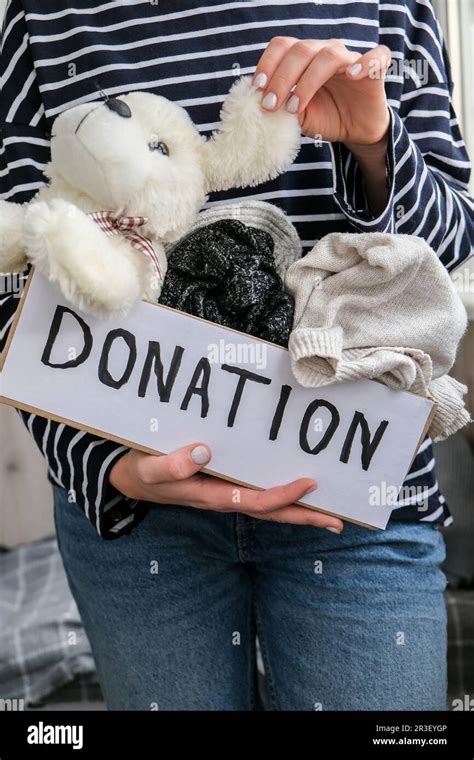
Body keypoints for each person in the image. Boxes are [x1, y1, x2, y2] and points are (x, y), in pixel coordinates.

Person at [0, 0, 472, 710]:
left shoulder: (392, 9)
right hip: (139, 507)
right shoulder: (45, 17)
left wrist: (376, 145)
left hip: (360, 491)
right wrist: (105, 467)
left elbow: (453, 260)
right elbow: (16, 273)